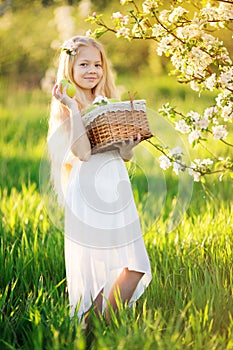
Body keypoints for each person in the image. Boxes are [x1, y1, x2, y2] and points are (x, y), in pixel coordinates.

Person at [47, 35, 151, 324]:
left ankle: (97, 326)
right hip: (89, 188)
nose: (92, 70)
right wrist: (72, 106)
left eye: (97, 64)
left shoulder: (104, 102)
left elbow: (124, 155)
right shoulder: (66, 107)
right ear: (69, 68)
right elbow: (82, 152)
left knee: (131, 264)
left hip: (115, 184)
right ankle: (95, 328)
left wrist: (129, 144)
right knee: (105, 265)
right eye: (84, 64)